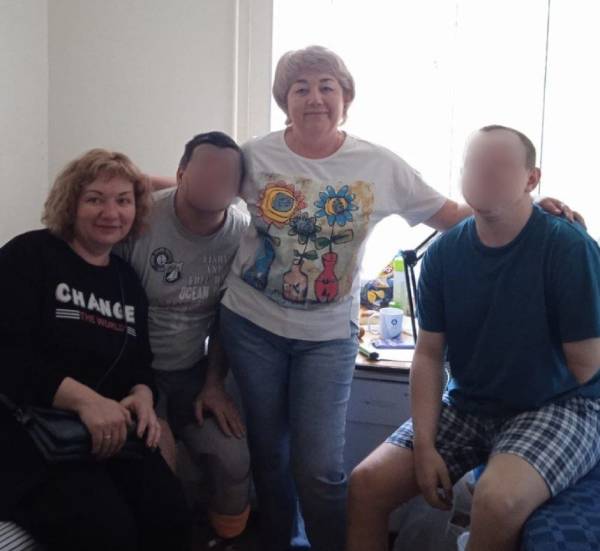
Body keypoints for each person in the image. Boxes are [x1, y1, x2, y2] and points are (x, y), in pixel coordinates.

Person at [151, 45, 578, 551]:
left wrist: (530, 204)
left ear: (345, 99)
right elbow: (201, 186)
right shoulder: (257, 155)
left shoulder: (377, 164)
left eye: (326, 87)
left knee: (319, 468)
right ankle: (279, 541)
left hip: (327, 337)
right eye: (300, 88)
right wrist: (128, 184)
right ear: (285, 101)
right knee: (268, 455)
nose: (314, 97)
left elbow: (452, 214)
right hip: (251, 327)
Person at [346, 126, 600, 551]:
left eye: (500, 166)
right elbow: (429, 354)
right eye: (475, 165)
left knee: (496, 502)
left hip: (558, 404)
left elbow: (586, 366)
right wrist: (424, 447)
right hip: (468, 403)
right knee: (367, 483)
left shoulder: (568, 247)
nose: (485, 175)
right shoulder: (444, 253)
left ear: (532, 179)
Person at [0, 149, 191, 551]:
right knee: (107, 531)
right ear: (71, 203)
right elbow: (8, 354)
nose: (111, 212)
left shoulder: (126, 280)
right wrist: (84, 400)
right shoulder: (28, 255)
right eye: (95, 199)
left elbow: (139, 363)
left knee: (172, 515)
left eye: (123, 200)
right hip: (29, 433)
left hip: (106, 435)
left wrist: (143, 394)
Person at [118, 131, 251, 550]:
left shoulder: (242, 235)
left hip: (193, 374)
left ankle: (224, 540)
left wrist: (214, 384)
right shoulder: (140, 221)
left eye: (226, 174)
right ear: (180, 174)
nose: (215, 179)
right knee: (159, 463)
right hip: (133, 372)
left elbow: (228, 317)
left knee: (234, 460)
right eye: (205, 167)